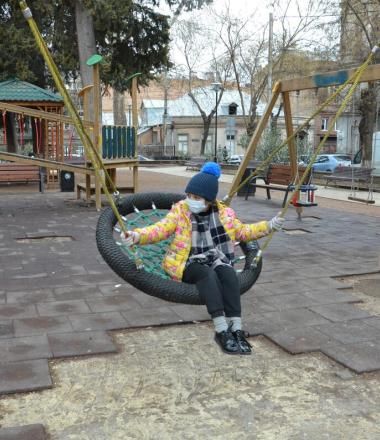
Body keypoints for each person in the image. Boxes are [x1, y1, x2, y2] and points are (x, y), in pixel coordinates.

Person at [122, 162, 284, 355]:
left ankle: (236, 328)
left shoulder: (225, 214)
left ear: (208, 200)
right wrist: (137, 236)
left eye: (196, 197)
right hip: (187, 261)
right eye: (189, 196)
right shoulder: (181, 210)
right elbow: (160, 229)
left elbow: (243, 232)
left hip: (215, 256)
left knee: (228, 274)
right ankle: (221, 329)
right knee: (208, 275)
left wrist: (268, 226)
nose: (191, 200)